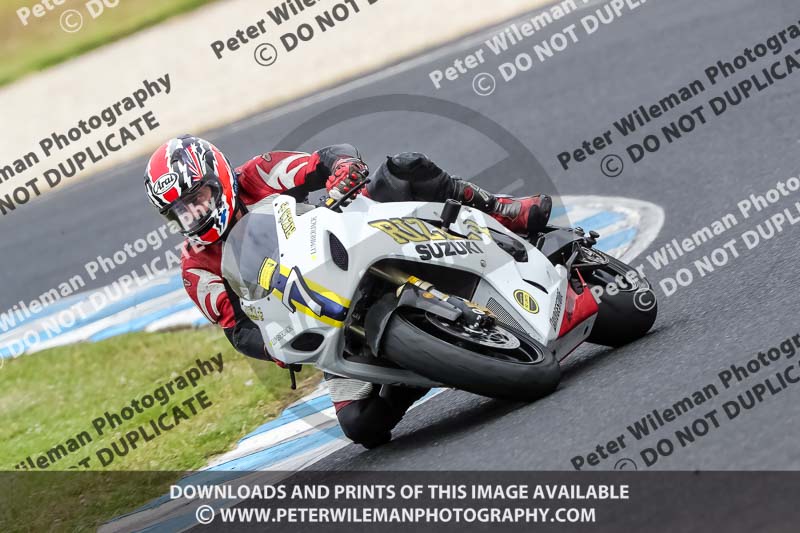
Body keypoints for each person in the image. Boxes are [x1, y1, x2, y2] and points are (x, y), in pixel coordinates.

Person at [144, 135, 551, 448]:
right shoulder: (196, 267)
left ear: (218, 177)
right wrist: (274, 345)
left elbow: (326, 158)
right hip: (320, 314)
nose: (195, 213)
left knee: (404, 167)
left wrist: (344, 169)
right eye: (181, 211)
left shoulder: (259, 174)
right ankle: (424, 367)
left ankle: (503, 210)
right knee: (361, 424)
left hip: (346, 240)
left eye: (198, 198)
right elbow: (237, 330)